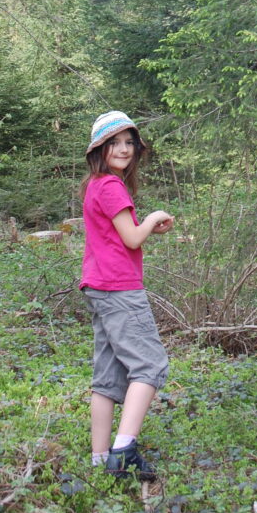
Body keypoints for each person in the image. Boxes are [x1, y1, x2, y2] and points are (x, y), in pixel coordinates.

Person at [79, 110, 174, 480]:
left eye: (129, 142)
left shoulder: (95, 185)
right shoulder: (111, 186)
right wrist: (151, 220)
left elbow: (119, 235)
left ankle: (100, 458)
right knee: (150, 366)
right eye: (114, 143)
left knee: (108, 377)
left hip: (98, 286)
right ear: (99, 149)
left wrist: (148, 228)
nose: (123, 149)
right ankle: (123, 453)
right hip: (119, 289)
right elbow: (133, 238)